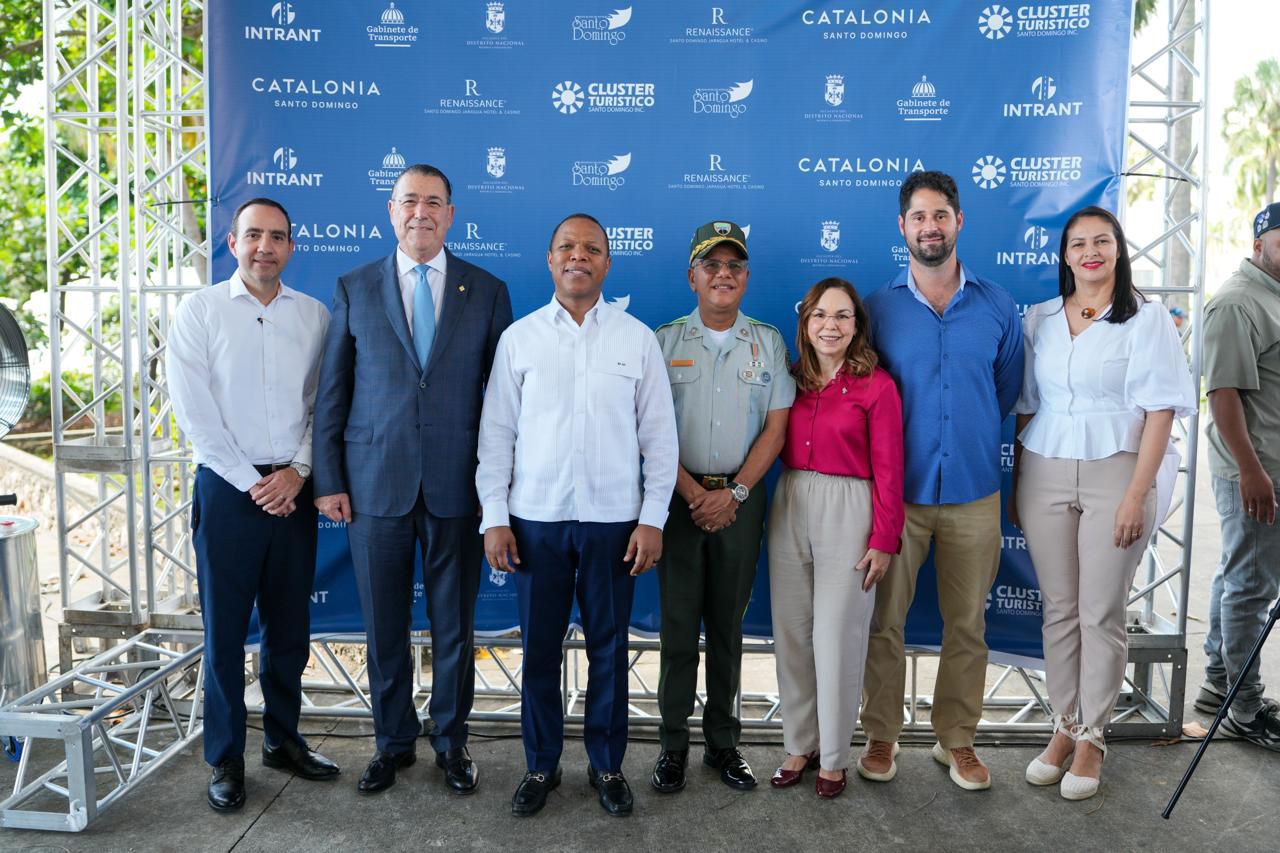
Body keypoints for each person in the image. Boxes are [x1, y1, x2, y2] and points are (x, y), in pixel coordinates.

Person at [312, 164, 513, 795]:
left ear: (452, 214)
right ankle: (392, 742)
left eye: (433, 202)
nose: (420, 212)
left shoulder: (486, 289)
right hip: (374, 484)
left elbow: (505, 402)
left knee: (456, 625)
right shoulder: (354, 286)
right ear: (390, 211)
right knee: (384, 625)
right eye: (409, 201)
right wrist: (328, 477)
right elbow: (333, 392)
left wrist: (499, 491)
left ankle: (451, 743)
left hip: (459, 486)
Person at [477, 213, 678, 818]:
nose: (578, 256)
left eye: (592, 249)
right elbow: (496, 437)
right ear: (549, 259)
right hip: (534, 520)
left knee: (611, 649)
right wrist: (494, 516)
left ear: (607, 264)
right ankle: (540, 766)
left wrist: (653, 518)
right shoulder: (520, 339)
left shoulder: (635, 339)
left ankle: (607, 765)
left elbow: (661, 440)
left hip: (615, 522)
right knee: (538, 650)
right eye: (567, 246)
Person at [1010, 206, 1195, 800]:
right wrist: (1019, 483)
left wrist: (1137, 496)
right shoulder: (1040, 318)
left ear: (1118, 249)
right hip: (1044, 466)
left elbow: (1162, 410)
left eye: (1102, 241)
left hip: (1120, 469)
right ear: (1064, 256)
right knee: (1060, 609)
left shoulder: (1147, 320)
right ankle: (1063, 727)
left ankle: (1094, 736)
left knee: (1100, 610)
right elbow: (1029, 406)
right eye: (1079, 243)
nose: (1090, 251)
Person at [167, 197, 338, 811]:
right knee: (225, 633)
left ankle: (284, 741)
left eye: (277, 237)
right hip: (228, 490)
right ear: (232, 242)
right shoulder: (199, 311)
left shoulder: (314, 315)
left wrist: (297, 471)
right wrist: (252, 483)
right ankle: (226, 758)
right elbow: (195, 414)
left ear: (292, 246)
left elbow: (324, 403)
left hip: (292, 489)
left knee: (290, 628)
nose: (265, 246)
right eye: (253, 236)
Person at [860, 170, 1024, 790]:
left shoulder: (997, 305)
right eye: (919, 217)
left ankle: (957, 741)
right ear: (902, 227)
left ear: (959, 222)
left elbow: (1003, 392)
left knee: (967, 626)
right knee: (885, 624)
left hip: (975, 494)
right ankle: (881, 735)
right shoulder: (876, 309)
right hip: (896, 497)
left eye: (941, 215)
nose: (930, 227)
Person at [650, 221, 794, 795]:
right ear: (693, 276)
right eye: (712, 265)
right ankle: (672, 746)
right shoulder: (663, 342)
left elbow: (777, 430)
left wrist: (732, 495)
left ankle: (724, 744)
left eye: (734, 266)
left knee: (727, 630)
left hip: (741, 501)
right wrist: (692, 495)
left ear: (746, 277)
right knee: (679, 628)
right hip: (678, 501)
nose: (723, 275)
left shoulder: (769, 341)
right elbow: (651, 431)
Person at [767, 278, 903, 799]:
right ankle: (800, 744)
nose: (831, 325)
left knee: (837, 637)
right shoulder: (790, 379)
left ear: (857, 326)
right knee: (795, 633)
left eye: (843, 316)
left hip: (850, 507)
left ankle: (836, 756)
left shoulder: (877, 386)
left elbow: (890, 469)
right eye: (821, 315)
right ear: (806, 322)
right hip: (791, 500)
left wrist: (884, 538)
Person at [1197, 200, 1280, 751]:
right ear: (1259, 243)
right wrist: (1252, 474)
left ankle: (1220, 683)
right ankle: (1244, 709)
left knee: (1239, 577)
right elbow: (1222, 396)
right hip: (1254, 471)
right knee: (1251, 588)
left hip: (1267, 467)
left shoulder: (1270, 299)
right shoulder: (1235, 302)